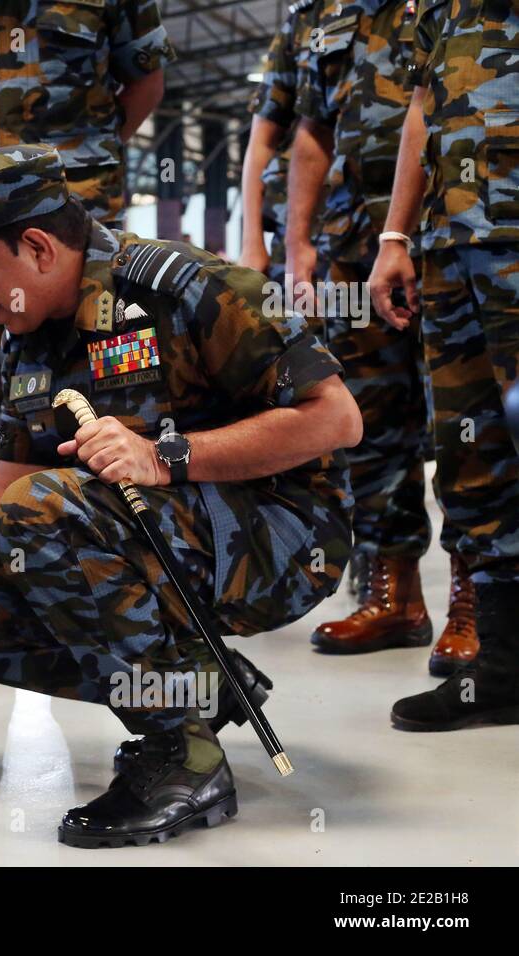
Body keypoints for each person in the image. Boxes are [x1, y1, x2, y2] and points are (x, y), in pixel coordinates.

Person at [0, 145, 362, 847]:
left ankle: (186, 758)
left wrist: (167, 456)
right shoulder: (32, 337)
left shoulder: (187, 287)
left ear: (35, 247)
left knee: (50, 505)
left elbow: (337, 419)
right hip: (172, 537)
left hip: (288, 537)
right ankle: (190, 686)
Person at [0, 0, 173, 685]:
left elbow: (144, 83)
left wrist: (75, 161)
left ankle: (112, 592)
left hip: (66, 225)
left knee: (102, 414)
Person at [290, 0, 472, 673]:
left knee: (466, 420)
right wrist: (297, 242)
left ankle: (474, 596)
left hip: (459, 225)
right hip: (352, 241)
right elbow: (311, 130)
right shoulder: (326, 11)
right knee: (370, 423)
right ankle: (396, 595)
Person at [369, 0, 519, 731]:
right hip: (450, 246)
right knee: (472, 456)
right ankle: (504, 671)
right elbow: (422, 108)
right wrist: (395, 233)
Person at [239, 0, 323, 287]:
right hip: (297, 236)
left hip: (403, 226)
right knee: (293, 329)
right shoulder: (309, 17)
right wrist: (251, 241)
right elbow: (261, 141)